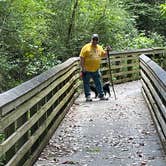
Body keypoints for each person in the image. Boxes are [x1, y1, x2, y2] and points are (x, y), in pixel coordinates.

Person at [79, 34, 111, 101]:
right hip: (87, 69)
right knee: (86, 83)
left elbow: (104, 55)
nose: (95, 41)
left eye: (96, 39)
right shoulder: (86, 47)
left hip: (96, 69)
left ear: (98, 40)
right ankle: (88, 96)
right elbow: (82, 58)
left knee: (98, 82)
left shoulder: (99, 47)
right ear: (91, 39)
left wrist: (107, 51)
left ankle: (101, 95)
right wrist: (83, 67)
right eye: (94, 39)